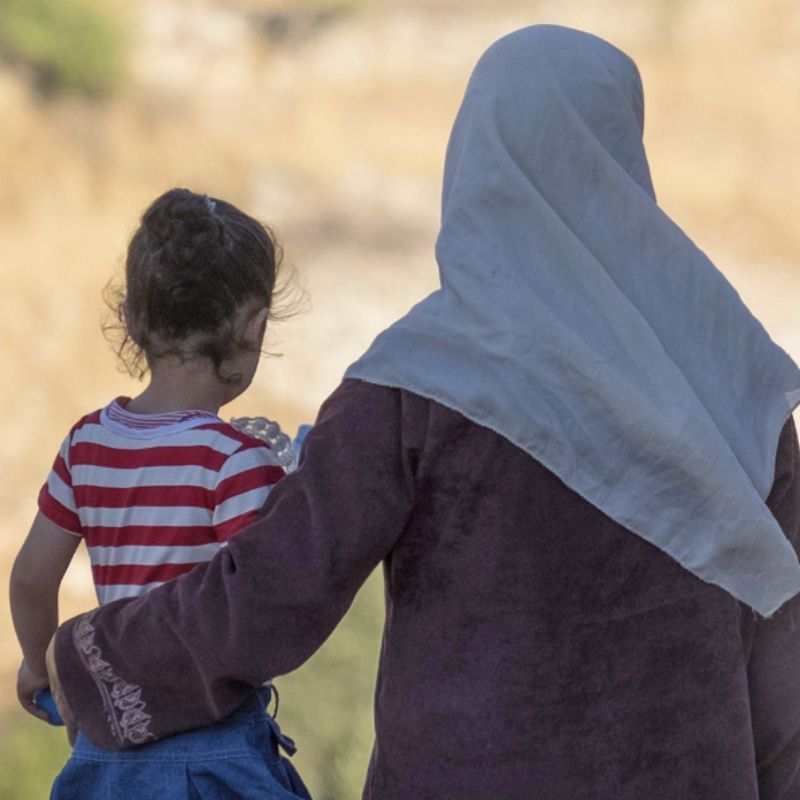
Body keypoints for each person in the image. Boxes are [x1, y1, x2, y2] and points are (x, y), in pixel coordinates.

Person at [47, 26, 800, 800]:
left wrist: (101, 659)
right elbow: (783, 680)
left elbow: (276, 589)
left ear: (475, 159)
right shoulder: (733, 381)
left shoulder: (420, 379)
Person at [10, 188, 311, 799]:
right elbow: (263, 609)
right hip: (214, 756)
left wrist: (43, 666)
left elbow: (30, 580)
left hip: (105, 753)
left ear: (133, 319)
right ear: (253, 330)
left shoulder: (87, 444)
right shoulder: (237, 462)